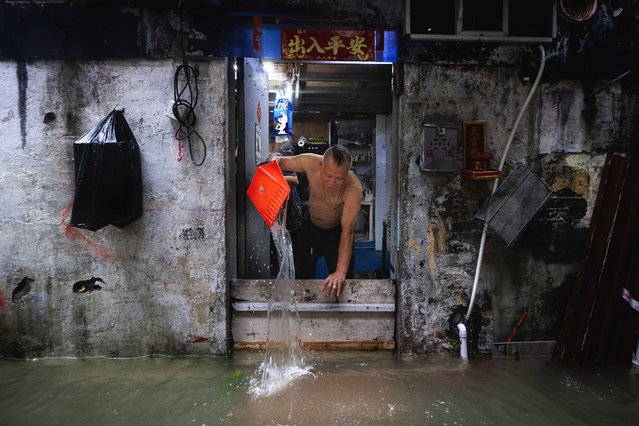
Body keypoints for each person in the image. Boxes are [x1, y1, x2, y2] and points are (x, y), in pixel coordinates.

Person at [275, 145, 362, 298]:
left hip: (336, 233)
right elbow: (280, 161)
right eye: (328, 176)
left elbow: (347, 231)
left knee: (341, 281)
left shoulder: (353, 188)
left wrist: (340, 271)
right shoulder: (310, 162)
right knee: (302, 275)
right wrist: (271, 159)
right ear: (321, 164)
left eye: (339, 178)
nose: (332, 182)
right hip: (311, 228)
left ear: (347, 173)